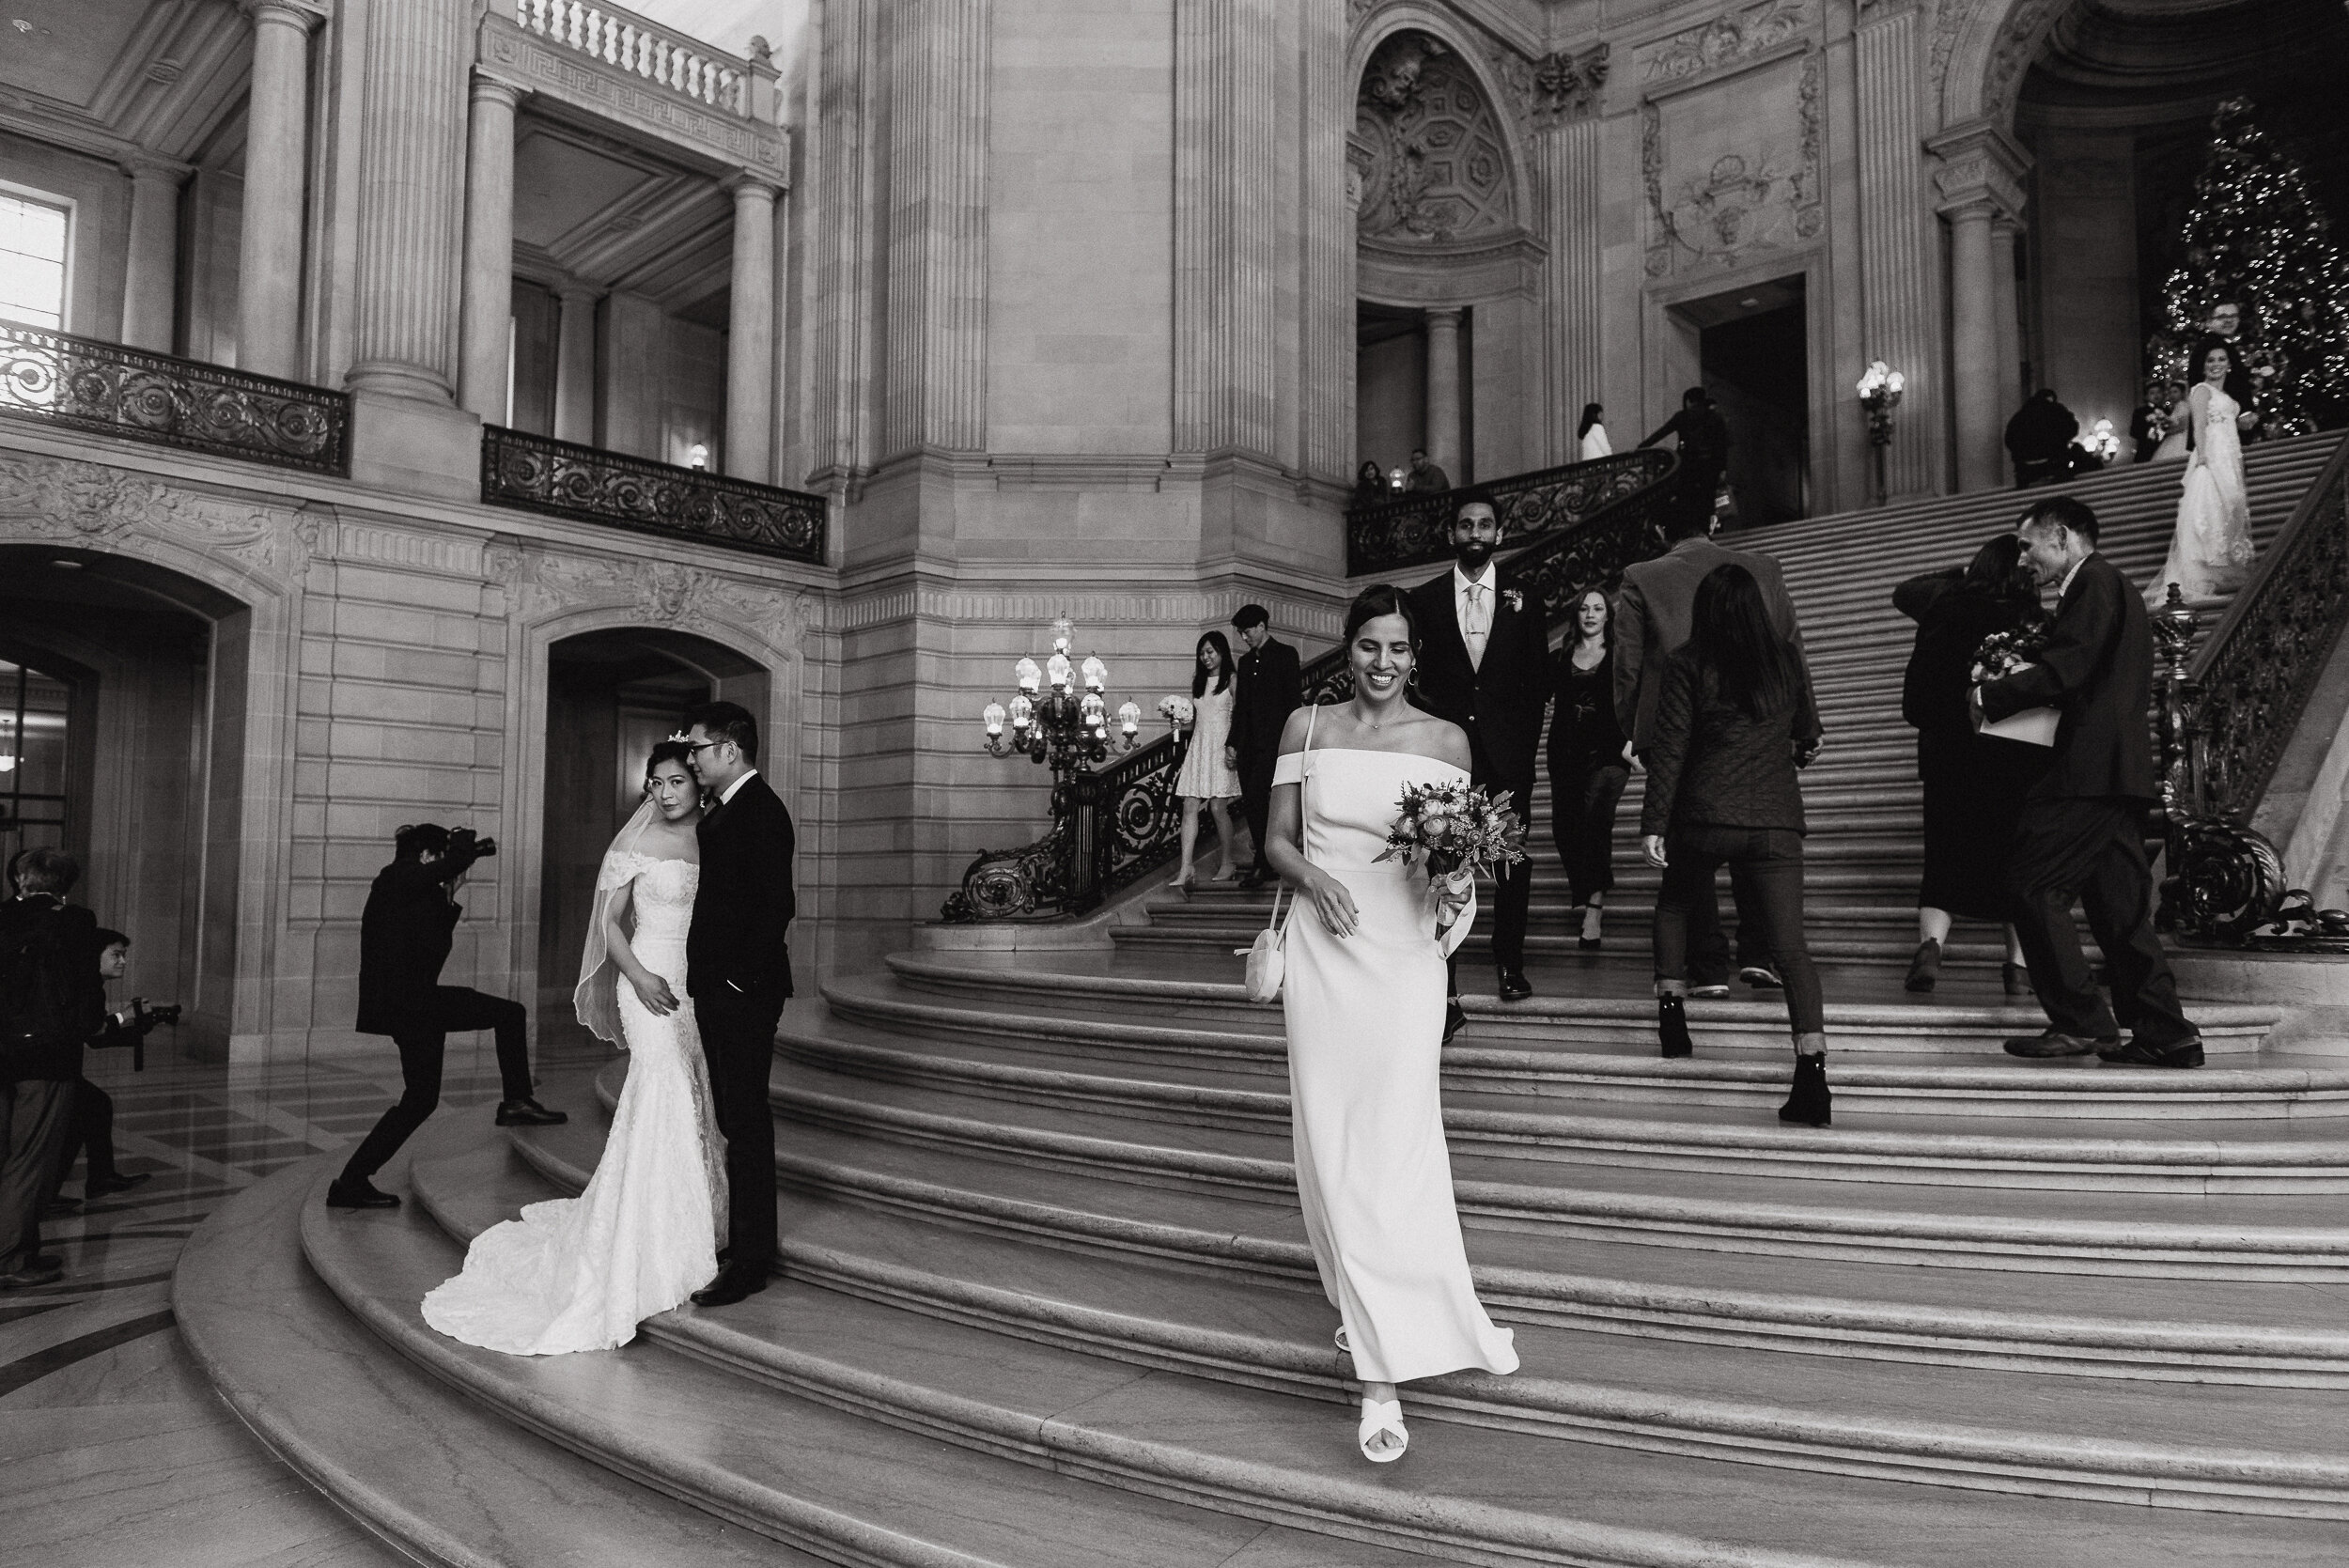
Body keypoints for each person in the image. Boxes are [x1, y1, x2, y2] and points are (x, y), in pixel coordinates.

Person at [1264, 584, 1518, 1465]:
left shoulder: (1446, 740)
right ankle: (1369, 1329)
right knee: (1332, 1141)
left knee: (1398, 1139)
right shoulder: (1305, 727)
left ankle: (1384, 1361)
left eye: (1398, 649)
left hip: (1406, 960)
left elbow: (1453, 858)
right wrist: (1314, 880)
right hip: (1324, 956)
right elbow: (1277, 839)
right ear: (1349, 650)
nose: (1382, 663)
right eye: (1368, 646)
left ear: (1416, 656)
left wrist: (1456, 887)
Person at [423, 742, 725, 1354]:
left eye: (674, 782)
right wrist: (638, 976)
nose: (664, 794)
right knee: (660, 1085)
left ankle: (691, 1221)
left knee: (694, 1098)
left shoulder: (713, 838)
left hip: (697, 985)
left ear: (696, 783)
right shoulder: (635, 844)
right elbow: (610, 924)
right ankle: (658, 1243)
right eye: (655, 783)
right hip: (647, 980)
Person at [1981, 496, 2203, 1069]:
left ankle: (2081, 1022)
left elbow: (2067, 669)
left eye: (2028, 545)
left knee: (2031, 885)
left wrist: (1991, 695)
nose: (2022, 558)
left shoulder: (2095, 582)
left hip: (2088, 772)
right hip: (2114, 773)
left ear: (2062, 537)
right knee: (2120, 910)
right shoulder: (2106, 586)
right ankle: (2166, 1031)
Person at [1641, 564, 1829, 1125]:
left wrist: (1654, 821)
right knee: (1790, 948)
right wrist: (1794, 748)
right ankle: (1813, 1076)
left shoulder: (1687, 662)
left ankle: (1673, 1015)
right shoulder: (1785, 659)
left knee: (1676, 902)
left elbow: (1671, 746)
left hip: (1704, 814)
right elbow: (1809, 733)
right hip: (1773, 819)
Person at [1615, 502, 1809, 994]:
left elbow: (1629, 665)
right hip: (1758, 719)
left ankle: (1707, 969)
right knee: (1754, 824)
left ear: (1661, 529)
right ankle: (1761, 953)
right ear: (1715, 523)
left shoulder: (1641, 575)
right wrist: (1807, 724)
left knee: (1692, 845)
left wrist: (1634, 729)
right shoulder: (1764, 568)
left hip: (1674, 722)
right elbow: (1792, 644)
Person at [329, 825, 565, 1211]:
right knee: (506, 1017)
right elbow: (440, 869)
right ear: (425, 855)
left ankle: (351, 1181)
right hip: (410, 1007)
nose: (444, 867)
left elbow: (432, 956)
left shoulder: (415, 892)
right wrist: (460, 850)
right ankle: (517, 1101)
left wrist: (449, 897)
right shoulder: (395, 877)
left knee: (421, 1099)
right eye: (440, 859)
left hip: (419, 1004)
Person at [1408, 502, 1549, 1020]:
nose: (1475, 533)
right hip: (1448, 759)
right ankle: (1444, 976)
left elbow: (1537, 682)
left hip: (1508, 756)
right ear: (1452, 533)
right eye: (1466, 525)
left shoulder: (1524, 596)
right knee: (1445, 865)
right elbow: (1417, 682)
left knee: (1512, 861)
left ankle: (1510, 963)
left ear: (1499, 533)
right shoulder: (1422, 600)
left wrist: (1523, 747)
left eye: (1484, 525)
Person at [680, 699, 798, 1306]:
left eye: (698, 748)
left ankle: (753, 1259)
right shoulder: (726, 809)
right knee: (734, 1118)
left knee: (747, 1121)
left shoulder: (763, 811)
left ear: (730, 749)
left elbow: (777, 906)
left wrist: (734, 983)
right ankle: (747, 1243)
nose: (692, 757)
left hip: (744, 994)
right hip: (717, 990)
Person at [1893, 537, 2046, 995]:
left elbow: (1908, 591)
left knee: (1943, 859)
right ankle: (2018, 968)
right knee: (2016, 863)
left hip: (1947, 758)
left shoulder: (1943, 612)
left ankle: (1932, 947)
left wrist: (1965, 573)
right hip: (2014, 757)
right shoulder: (2033, 622)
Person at [1, 847, 99, 1287]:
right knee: (30, 1158)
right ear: (65, 884)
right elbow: (85, 991)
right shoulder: (75, 921)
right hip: (47, 1055)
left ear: (22, 880)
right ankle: (14, 1258)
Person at [1548, 587, 1631, 949]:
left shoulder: (1619, 655)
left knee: (1596, 821)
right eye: (1584, 608)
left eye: (1598, 608)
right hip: (1565, 751)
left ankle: (1594, 908)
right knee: (1566, 827)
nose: (1591, 614)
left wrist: (1633, 742)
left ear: (1607, 615)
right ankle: (1584, 887)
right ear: (1576, 615)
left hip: (1608, 752)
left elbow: (1636, 699)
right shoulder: (1561, 655)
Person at [2148, 337, 2257, 604]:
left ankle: (2222, 568)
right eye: (2210, 360)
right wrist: (2204, 457)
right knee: (2206, 510)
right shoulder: (2201, 390)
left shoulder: (2228, 396)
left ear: (2230, 364)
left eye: (2221, 359)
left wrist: (2248, 421)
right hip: (2212, 456)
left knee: (2229, 507)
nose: (2216, 365)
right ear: (2203, 365)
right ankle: (2201, 573)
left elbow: (2235, 425)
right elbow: (2198, 425)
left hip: (2230, 456)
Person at [65, 929, 165, 1204]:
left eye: (124, 955)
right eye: (116, 955)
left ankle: (98, 1179)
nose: (122, 961)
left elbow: (94, 1037)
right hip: (55, 1071)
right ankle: (95, 1179)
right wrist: (126, 1016)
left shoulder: (86, 983)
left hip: (61, 1070)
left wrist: (135, 1026)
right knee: (90, 1111)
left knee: (89, 1113)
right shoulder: (87, 986)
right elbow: (93, 1030)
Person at [1229, 605, 1301, 889]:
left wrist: (1291, 742)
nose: (1244, 637)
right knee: (1252, 803)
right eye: (1241, 632)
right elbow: (1241, 707)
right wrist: (1233, 742)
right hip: (1249, 745)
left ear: (1261, 626)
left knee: (1263, 799)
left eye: (1247, 631)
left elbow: (1292, 701)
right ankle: (1264, 860)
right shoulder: (1246, 663)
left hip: (1275, 743)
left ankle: (1265, 861)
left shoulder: (1285, 655)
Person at [1172, 630, 1245, 888]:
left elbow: (1240, 716)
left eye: (1210, 652)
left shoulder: (1233, 680)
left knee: (1217, 807)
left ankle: (1228, 861)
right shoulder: (1198, 682)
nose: (1205, 657)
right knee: (1189, 806)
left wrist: (1234, 748)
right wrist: (1177, 718)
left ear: (1222, 652)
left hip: (1222, 747)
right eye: (1202, 653)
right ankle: (1186, 867)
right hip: (1199, 747)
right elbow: (1199, 719)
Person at [1638, 387, 1730, 536]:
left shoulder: (1682, 416)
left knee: (1686, 497)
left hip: (1688, 464)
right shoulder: (1714, 417)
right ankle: (1705, 532)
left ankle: (1686, 532)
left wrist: (1642, 446)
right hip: (1709, 466)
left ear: (1687, 400)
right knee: (1706, 499)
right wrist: (1722, 468)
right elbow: (1721, 445)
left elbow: (1662, 432)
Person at [2004, 389, 2079, 489]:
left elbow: (2009, 439)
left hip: (2025, 466)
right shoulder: (2056, 410)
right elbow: (2072, 428)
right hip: (2054, 461)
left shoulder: (2019, 417)